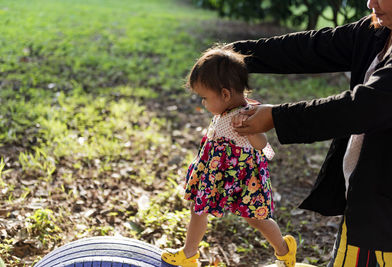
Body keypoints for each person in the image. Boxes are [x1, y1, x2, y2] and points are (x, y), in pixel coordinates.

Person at [229, 0, 392, 266]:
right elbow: (310, 47)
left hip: (382, 217)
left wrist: (275, 117)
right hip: (367, 199)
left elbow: (362, 107)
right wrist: (232, 55)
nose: (370, 2)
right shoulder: (377, 31)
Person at [161, 47, 297, 267]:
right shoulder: (225, 109)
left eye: (205, 98)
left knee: (255, 218)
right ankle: (188, 254)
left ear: (225, 94)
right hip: (217, 171)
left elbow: (266, 149)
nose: (203, 103)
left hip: (242, 176)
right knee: (198, 207)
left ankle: (284, 250)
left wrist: (252, 131)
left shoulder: (245, 116)